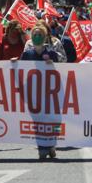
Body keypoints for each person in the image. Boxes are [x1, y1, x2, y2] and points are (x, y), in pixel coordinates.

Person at [16, 25, 61, 159]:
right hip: (33, 93)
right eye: (34, 34)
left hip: (49, 93)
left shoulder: (51, 54)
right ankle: (42, 146)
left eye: (39, 34)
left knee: (52, 119)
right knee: (37, 120)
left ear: (44, 36)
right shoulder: (27, 54)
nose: (37, 36)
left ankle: (52, 144)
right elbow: (21, 70)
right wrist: (14, 63)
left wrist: (51, 64)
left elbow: (60, 71)